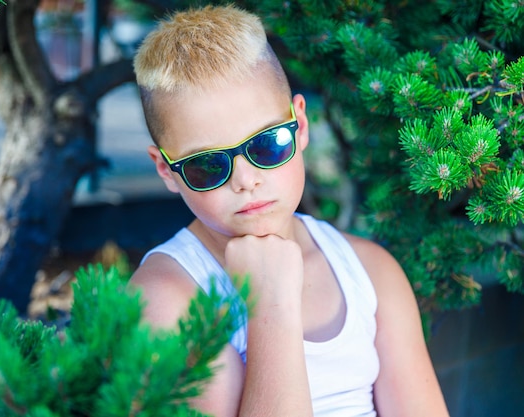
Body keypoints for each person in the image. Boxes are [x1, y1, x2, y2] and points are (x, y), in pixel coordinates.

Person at [129, 5, 450, 417]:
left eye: (266, 145)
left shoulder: (369, 273)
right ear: (166, 170)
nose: (245, 180)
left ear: (299, 125)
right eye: (207, 165)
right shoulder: (167, 301)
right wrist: (271, 306)